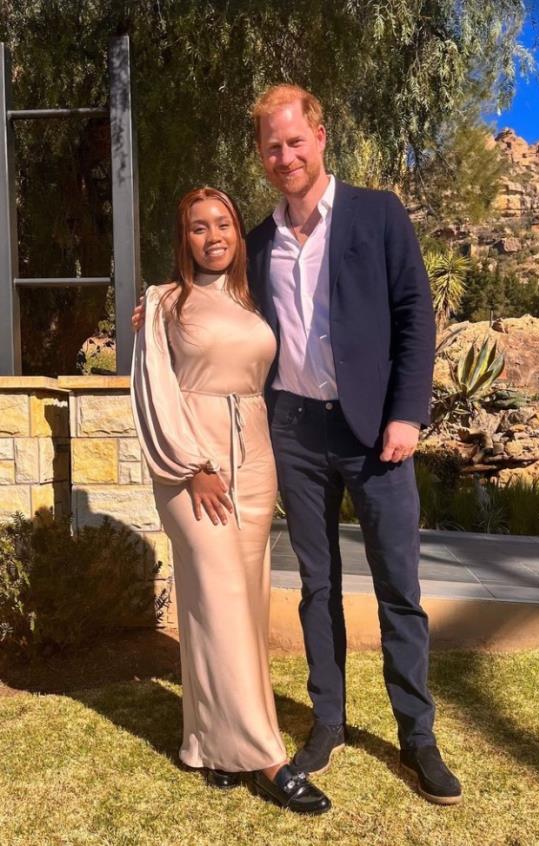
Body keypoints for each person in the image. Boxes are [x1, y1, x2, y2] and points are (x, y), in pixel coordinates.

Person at [133, 84, 462, 806]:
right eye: (271, 147)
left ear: (319, 136)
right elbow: (209, 300)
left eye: (294, 141)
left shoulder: (378, 213)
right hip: (295, 439)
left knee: (398, 589)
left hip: (379, 435)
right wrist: (153, 310)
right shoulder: (254, 241)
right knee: (318, 587)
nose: (285, 156)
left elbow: (415, 314)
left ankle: (418, 737)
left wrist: (407, 414)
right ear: (262, 156)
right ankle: (329, 724)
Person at [130, 185, 331, 815]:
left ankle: (211, 743)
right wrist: (194, 467)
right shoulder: (162, 304)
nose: (213, 235)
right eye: (198, 227)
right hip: (196, 468)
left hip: (256, 462)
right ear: (181, 238)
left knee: (236, 606)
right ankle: (267, 757)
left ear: (238, 234)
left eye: (223, 224)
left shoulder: (252, 300)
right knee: (216, 598)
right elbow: (154, 390)